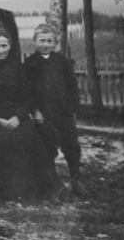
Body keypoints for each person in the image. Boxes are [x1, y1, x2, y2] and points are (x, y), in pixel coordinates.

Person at [0, 27, 61, 202]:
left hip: (16, 118)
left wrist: (18, 117)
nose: (0, 50)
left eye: (4, 46)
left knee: (31, 139)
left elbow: (27, 99)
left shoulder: (19, 69)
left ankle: (37, 191)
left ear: (10, 46)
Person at [24, 23, 82, 196]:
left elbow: (72, 85)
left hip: (63, 112)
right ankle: (52, 184)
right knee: (48, 148)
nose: (46, 44)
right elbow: (28, 90)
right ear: (35, 40)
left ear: (56, 42)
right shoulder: (30, 62)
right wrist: (35, 110)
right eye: (42, 40)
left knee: (72, 147)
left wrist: (73, 108)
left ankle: (76, 181)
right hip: (44, 114)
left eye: (50, 40)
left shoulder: (62, 61)